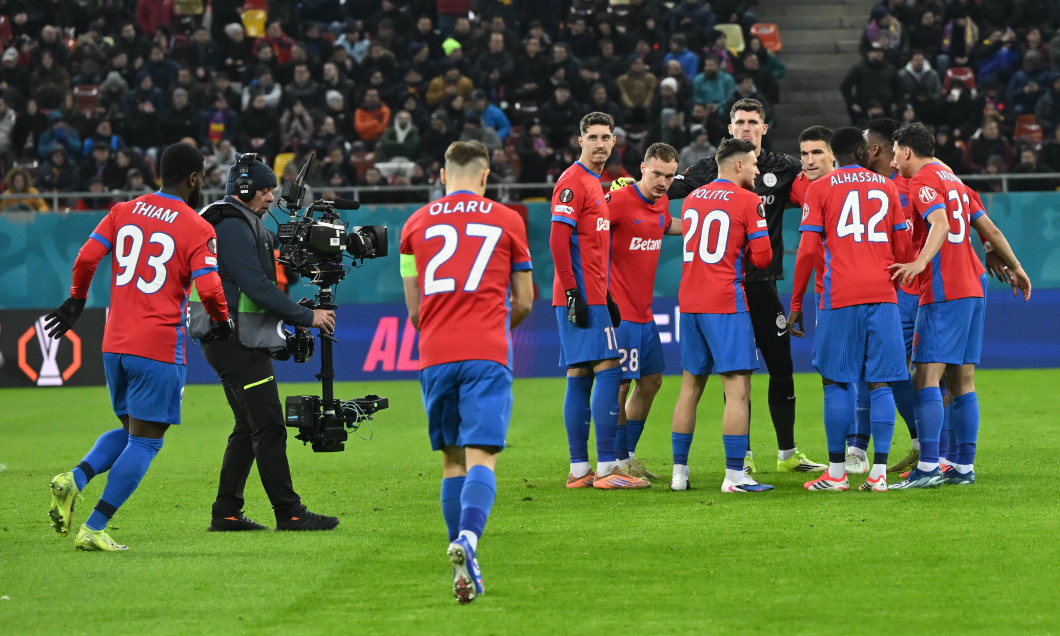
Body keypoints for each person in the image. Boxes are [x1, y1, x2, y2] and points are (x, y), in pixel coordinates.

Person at [46, 143, 230, 551]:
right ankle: (93, 528)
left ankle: (72, 480)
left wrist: (77, 299)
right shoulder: (198, 227)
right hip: (158, 344)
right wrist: (222, 321)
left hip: (114, 341)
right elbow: (211, 287)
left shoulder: (122, 211)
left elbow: (86, 257)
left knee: (132, 429)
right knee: (147, 440)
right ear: (195, 178)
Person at [399, 140, 533, 604]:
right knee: (483, 458)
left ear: (441, 174)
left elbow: (414, 312)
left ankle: (461, 565)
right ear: (485, 175)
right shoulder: (508, 220)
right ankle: (470, 542)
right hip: (486, 353)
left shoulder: (414, 225)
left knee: (452, 460)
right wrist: (495, 326)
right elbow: (525, 300)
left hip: (435, 354)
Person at [669, 98, 826, 474]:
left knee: (781, 367)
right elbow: (664, 192)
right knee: (736, 373)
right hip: (726, 289)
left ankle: (787, 454)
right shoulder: (709, 170)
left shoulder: (783, 167)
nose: (745, 127)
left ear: (764, 129)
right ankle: (745, 455)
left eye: (753, 122)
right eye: (739, 121)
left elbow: (817, 191)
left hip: (763, 286)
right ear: (729, 128)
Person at [196, 154, 339, 531]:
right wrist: (308, 316)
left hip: (230, 337)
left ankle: (226, 513)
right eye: (263, 190)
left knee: (247, 425)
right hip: (234, 340)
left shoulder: (238, 221)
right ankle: (290, 513)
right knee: (270, 425)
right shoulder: (230, 224)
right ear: (242, 190)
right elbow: (256, 286)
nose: (272, 197)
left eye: (272, 189)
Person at [889, 122, 1032, 488]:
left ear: (907, 151)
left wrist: (921, 262)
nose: (893, 162)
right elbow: (992, 231)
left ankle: (928, 467)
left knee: (925, 376)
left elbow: (938, 224)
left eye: (895, 153)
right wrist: (1016, 267)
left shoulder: (923, 182)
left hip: (943, 288)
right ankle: (963, 466)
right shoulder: (957, 182)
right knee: (962, 379)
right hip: (974, 285)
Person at [794, 127, 910, 492]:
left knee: (835, 382)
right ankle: (878, 475)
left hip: (838, 296)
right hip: (882, 296)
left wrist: (796, 301)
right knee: (881, 384)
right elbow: (904, 250)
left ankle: (838, 473)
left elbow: (809, 250)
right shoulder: (888, 187)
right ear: (862, 152)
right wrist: (889, 286)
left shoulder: (820, 188)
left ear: (834, 154)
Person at [551, 111, 650, 490]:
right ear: (580, 140)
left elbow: (589, 247)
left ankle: (580, 470)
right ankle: (608, 469)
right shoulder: (574, 182)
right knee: (610, 368)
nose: (600, 143)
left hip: (591, 293)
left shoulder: (595, 182)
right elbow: (558, 240)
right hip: (580, 295)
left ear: (613, 141)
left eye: (606, 137)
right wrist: (575, 291)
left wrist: (605, 292)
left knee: (578, 374)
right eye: (592, 136)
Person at [669, 138, 774, 493]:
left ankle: (679, 474)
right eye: (755, 164)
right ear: (739, 165)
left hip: (690, 299)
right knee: (737, 388)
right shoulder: (749, 201)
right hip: (725, 300)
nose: (758, 170)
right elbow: (762, 258)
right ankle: (734, 476)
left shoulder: (694, 198)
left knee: (689, 387)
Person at [605, 143, 683, 480]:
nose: (663, 182)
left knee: (651, 381)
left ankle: (629, 455)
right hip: (618, 312)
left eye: (669, 176)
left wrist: (705, 221)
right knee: (620, 386)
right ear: (642, 168)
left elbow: (666, 224)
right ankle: (617, 460)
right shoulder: (618, 203)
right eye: (656, 174)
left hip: (645, 312)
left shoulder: (661, 202)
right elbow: (586, 233)